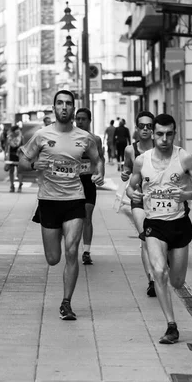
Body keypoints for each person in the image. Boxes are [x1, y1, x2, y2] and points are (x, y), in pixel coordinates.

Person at [126, 113, 192, 345]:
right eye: (160, 134)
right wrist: (131, 193)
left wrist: (188, 194)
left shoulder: (184, 158)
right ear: (152, 134)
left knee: (177, 281)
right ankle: (171, 326)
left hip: (179, 223)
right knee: (159, 272)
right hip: (154, 224)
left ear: (175, 134)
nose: (164, 139)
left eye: (169, 134)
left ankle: (172, 264)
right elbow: (131, 186)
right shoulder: (142, 161)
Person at [18, 90, 104, 321]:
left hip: (75, 198)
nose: (64, 107)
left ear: (73, 109)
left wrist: (99, 174)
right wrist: (36, 163)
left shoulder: (85, 137)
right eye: (60, 103)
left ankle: (66, 303)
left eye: (68, 104)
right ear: (54, 108)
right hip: (48, 201)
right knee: (53, 258)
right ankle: (56, 237)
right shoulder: (41, 135)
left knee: (72, 251)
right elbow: (23, 161)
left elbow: (97, 160)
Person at [121, 111, 156, 297]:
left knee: (159, 241)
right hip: (140, 201)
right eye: (141, 126)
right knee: (145, 238)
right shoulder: (130, 150)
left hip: (159, 202)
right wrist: (126, 180)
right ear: (136, 128)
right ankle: (151, 280)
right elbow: (127, 172)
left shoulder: (162, 147)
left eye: (149, 126)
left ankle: (160, 265)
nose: (145, 129)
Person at [75, 108, 105, 266]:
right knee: (74, 218)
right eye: (77, 119)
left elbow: (101, 159)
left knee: (87, 216)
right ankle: (72, 247)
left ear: (89, 121)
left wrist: (101, 175)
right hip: (72, 182)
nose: (80, 122)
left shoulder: (95, 139)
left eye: (83, 119)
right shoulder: (68, 139)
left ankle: (86, 251)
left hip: (88, 181)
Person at [5, 125, 24, 193]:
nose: (18, 131)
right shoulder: (9, 137)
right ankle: (12, 186)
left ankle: (20, 185)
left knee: (19, 171)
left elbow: (23, 146)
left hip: (18, 155)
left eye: (18, 130)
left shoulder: (21, 137)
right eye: (17, 130)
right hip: (11, 155)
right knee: (11, 171)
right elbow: (6, 147)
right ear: (13, 131)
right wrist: (5, 155)